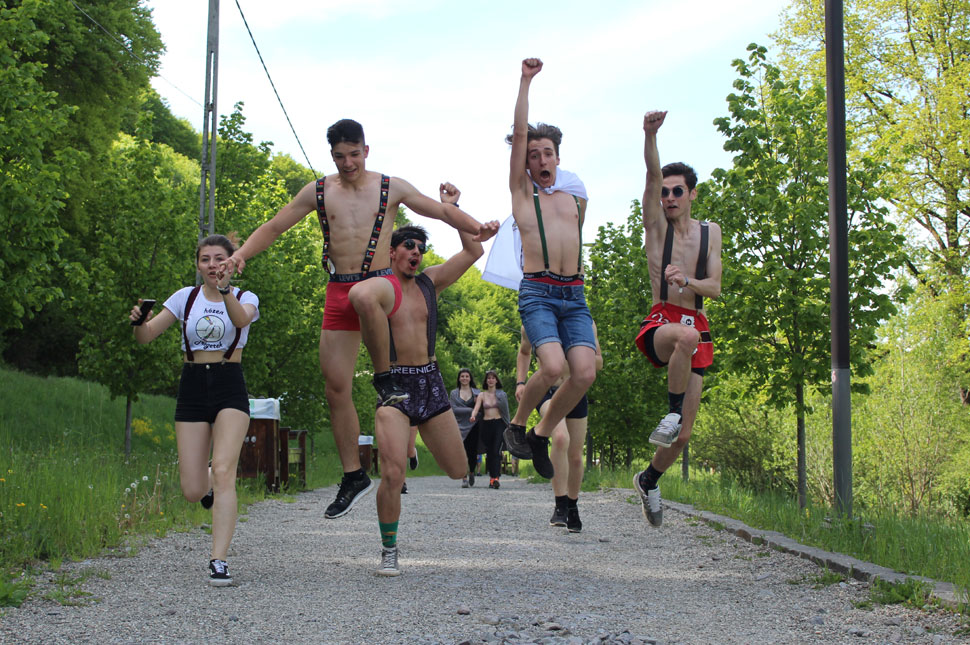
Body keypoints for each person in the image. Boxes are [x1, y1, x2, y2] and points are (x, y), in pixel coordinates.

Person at [224, 119, 498, 520]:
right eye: (340, 157)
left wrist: (476, 226)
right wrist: (240, 254)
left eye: (354, 154)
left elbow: (438, 210)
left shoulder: (390, 187)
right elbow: (275, 225)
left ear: (366, 150)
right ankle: (353, 475)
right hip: (339, 289)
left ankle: (386, 379)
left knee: (367, 297)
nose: (348, 163)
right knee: (335, 387)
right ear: (332, 155)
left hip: (379, 284)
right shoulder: (319, 191)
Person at [130, 234, 259, 586]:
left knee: (224, 471)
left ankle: (219, 560)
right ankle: (210, 476)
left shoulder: (245, 297)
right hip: (192, 385)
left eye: (220, 259)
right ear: (198, 264)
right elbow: (146, 337)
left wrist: (225, 289)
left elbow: (240, 321)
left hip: (229, 382)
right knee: (192, 490)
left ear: (232, 263)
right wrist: (140, 321)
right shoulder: (185, 297)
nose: (213, 265)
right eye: (206, 259)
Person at [373, 212, 495, 576]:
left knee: (459, 470)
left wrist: (453, 210)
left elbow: (473, 252)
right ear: (392, 252)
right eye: (409, 246)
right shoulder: (380, 288)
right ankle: (389, 548)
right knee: (392, 473)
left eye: (421, 248)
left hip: (430, 382)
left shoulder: (429, 283)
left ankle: (418, 450)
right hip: (395, 386)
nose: (416, 252)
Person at [501, 58, 597, 481]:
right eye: (533, 154)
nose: (541, 159)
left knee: (585, 372)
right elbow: (520, 135)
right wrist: (525, 82)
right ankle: (517, 424)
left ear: (558, 157)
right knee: (554, 367)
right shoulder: (523, 193)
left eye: (548, 153)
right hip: (539, 291)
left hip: (574, 293)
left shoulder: (575, 195)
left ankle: (539, 435)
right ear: (525, 161)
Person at [632, 111, 723, 528]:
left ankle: (649, 479)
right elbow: (652, 176)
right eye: (665, 192)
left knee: (684, 435)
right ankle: (670, 413)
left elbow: (715, 288)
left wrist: (687, 280)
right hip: (662, 321)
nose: (669, 197)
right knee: (684, 339)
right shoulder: (656, 227)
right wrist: (650, 136)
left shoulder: (710, 232)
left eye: (677, 191)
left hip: (696, 323)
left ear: (692, 194)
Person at [516, 324, 601, 533]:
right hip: (546, 390)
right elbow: (524, 351)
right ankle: (560, 504)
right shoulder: (536, 320)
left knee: (575, 456)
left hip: (574, 391)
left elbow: (598, 361)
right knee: (561, 437)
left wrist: (575, 357)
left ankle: (572, 506)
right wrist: (520, 382)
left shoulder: (585, 322)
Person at [469, 370, 511, 489]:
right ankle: (492, 478)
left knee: (496, 451)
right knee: (489, 452)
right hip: (486, 425)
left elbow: (506, 411)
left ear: (496, 380)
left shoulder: (502, 395)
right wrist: (473, 416)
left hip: (499, 424)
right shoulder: (482, 395)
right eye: (489, 378)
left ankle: (495, 478)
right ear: (486, 381)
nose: (491, 380)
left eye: (493, 378)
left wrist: (509, 424)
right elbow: (476, 408)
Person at [448, 368, 481, 488]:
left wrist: (476, 409)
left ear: (470, 378)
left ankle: (471, 471)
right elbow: (454, 409)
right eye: (462, 376)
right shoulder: (454, 393)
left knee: (472, 451)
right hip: (459, 425)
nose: (464, 378)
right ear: (459, 378)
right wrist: (472, 410)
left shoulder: (477, 392)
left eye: (467, 376)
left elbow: (481, 409)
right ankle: (464, 477)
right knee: (462, 452)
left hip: (474, 425)